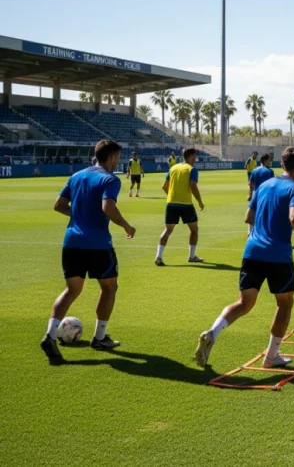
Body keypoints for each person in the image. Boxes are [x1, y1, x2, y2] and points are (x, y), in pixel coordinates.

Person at [194, 147, 294, 369]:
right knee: (285, 303)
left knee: (244, 303)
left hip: (252, 251)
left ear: (281, 164)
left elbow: (248, 217)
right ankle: (271, 357)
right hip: (278, 256)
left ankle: (213, 331)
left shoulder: (264, 185)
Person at [41, 140, 136, 362]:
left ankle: (50, 335)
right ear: (112, 157)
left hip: (71, 242)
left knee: (71, 291)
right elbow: (108, 207)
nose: (118, 161)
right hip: (98, 244)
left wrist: (78, 217)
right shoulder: (110, 179)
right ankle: (100, 338)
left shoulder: (77, 176)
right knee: (109, 287)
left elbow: (58, 205)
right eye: (118, 157)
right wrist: (126, 225)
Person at [155, 148, 205, 266]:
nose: (196, 159)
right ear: (191, 156)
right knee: (194, 230)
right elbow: (193, 186)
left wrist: (172, 196)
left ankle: (159, 256)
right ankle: (192, 256)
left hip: (171, 204)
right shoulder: (191, 170)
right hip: (186, 205)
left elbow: (164, 186)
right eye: (195, 156)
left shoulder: (173, 168)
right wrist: (200, 202)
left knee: (168, 230)